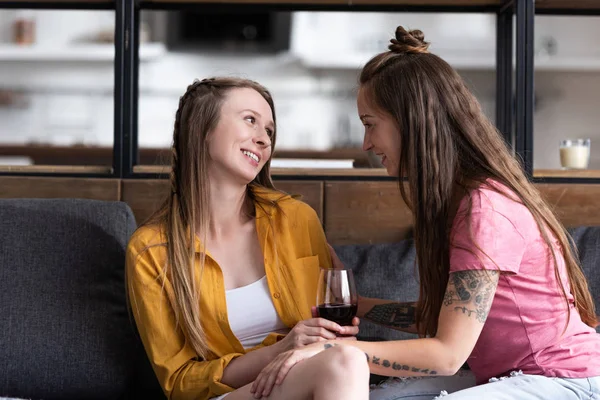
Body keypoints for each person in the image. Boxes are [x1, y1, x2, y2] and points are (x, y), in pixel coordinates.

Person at [251, 27, 600, 400]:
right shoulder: (460, 200)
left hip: (562, 379)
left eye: (371, 125)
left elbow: (447, 355)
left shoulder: (485, 209)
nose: (367, 143)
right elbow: (445, 319)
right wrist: (359, 306)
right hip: (512, 375)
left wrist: (329, 350)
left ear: (411, 121)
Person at [125, 77, 370, 400]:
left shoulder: (295, 219)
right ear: (202, 129)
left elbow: (334, 325)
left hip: (312, 383)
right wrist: (281, 349)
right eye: (250, 120)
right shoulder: (151, 251)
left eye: (269, 131)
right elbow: (179, 383)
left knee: (344, 359)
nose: (263, 140)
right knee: (343, 363)